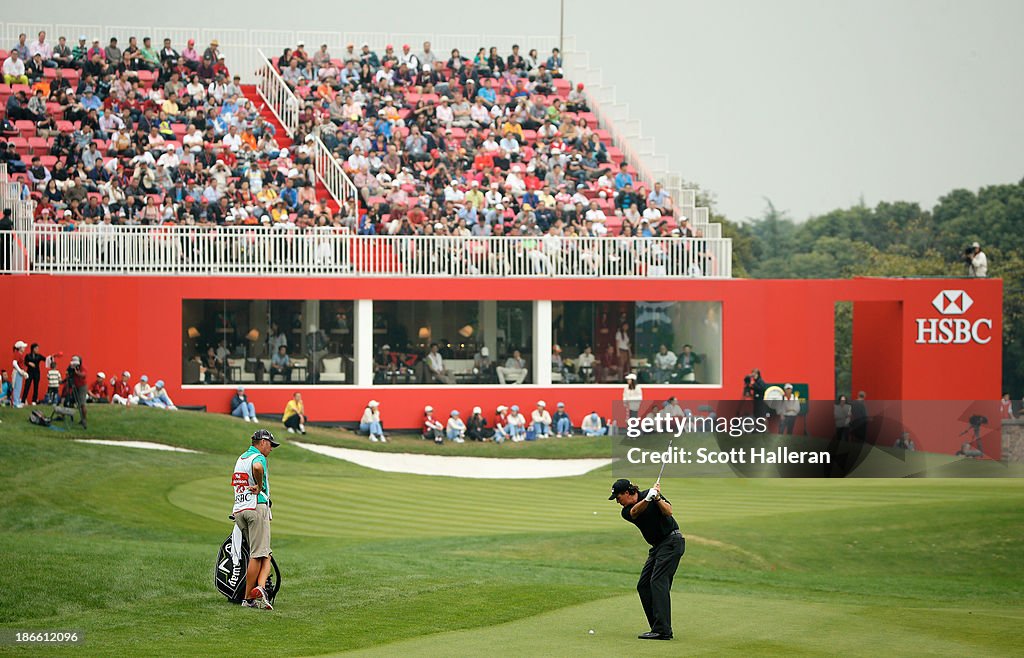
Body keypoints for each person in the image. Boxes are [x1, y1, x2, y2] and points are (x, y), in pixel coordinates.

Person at [609, 478, 685, 641]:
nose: (617, 501)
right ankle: (657, 627)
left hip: (671, 541)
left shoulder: (651, 495)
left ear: (628, 493)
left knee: (657, 581)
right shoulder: (627, 510)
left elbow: (669, 512)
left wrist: (656, 498)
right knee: (643, 585)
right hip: (658, 547)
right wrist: (648, 499)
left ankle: (663, 630)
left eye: (618, 497)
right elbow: (635, 512)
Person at [232, 428, 280, 610]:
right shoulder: (259, 458)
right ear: (262, 443)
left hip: (240, 510)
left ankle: (260, 588)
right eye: (270, 445)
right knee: (259, 554)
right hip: (256, 508)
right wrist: (260, 486)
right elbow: (258, 468)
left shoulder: (242, 457)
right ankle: (249, 597)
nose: (271, 449)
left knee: (262, 553)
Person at [67, 355, 89, 428]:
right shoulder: (71, 367)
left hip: (82, 386)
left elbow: (83, 375)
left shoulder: (82, 368)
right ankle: (70, 418)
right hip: (74, 386)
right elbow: (68, 375)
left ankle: (84, 419)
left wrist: (77, 373)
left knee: (82, 404)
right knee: (71, 402)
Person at [11, 340, 28, 409]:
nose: (24, 348)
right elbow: (14, 363)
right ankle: (15, 403)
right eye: (23, 347)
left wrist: (23, 372)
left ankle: (17, 401)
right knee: (17, 387)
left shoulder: (20, 354)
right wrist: (20, 370)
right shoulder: (17, 354)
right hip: (17, 372)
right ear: (20, 347)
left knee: (19, 387)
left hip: (19, 372)